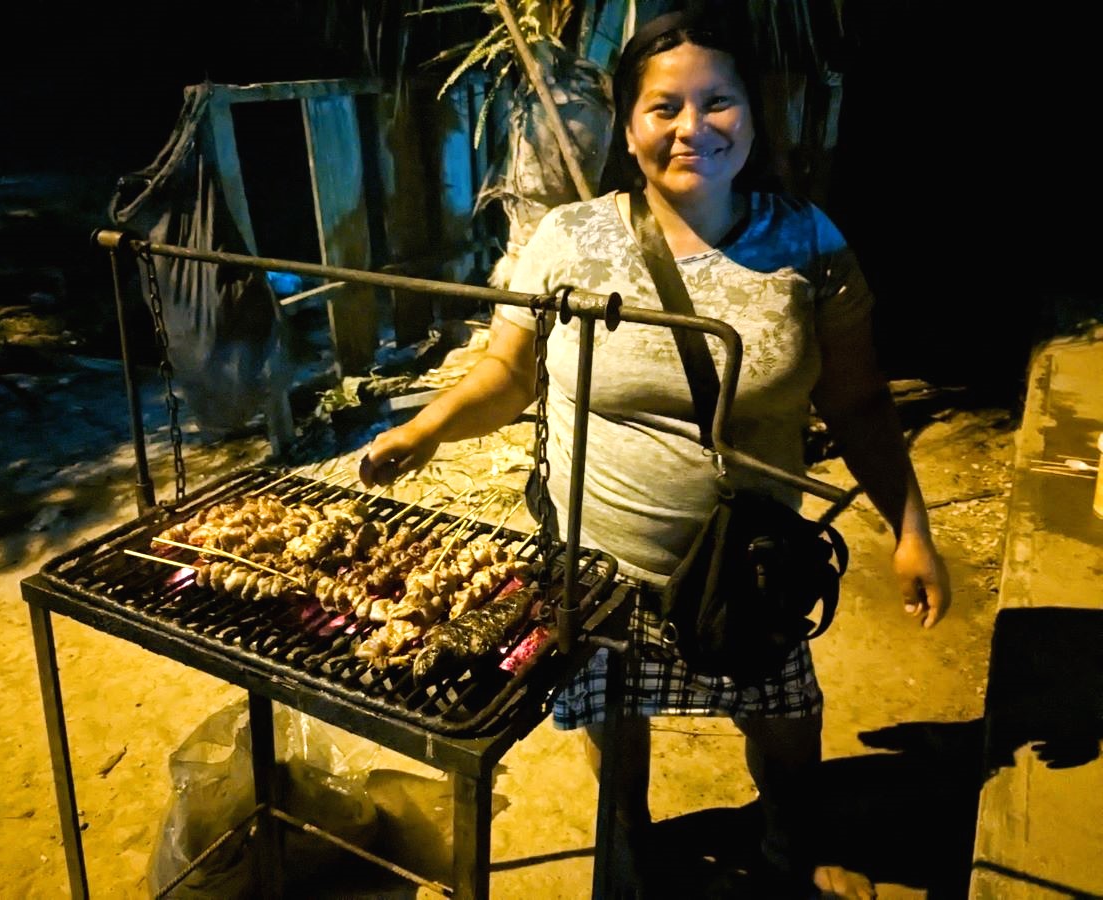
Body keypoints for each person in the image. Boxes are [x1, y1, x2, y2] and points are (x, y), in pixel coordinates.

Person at [361, 10, 950, 898]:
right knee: (615, 719)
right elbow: (507, 375)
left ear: (753, 113)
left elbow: (858, 402)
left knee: (784, 721)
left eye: (718, 102)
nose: (692, 128)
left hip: (747, 570)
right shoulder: (566, 238)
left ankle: (790, 841)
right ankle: (627, 848)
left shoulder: (808, 241)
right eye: (663, 107)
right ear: (628, 126)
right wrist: (422, 430)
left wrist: (912, 530)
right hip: (595, 567)